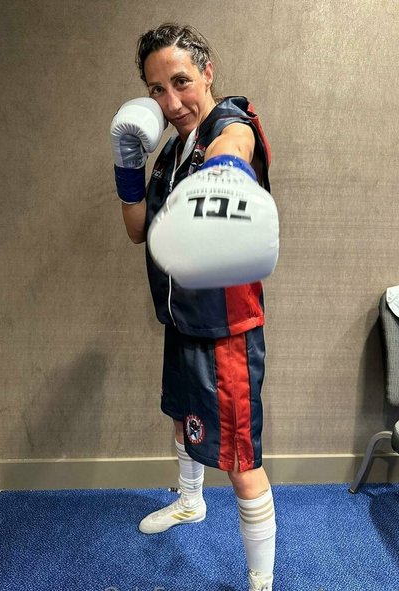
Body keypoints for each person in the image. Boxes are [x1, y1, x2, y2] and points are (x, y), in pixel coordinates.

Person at [110, 23, 276, 591]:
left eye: (180, 81)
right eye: (156, 89)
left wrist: (221, 179)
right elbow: (137, 230)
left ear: (207, 72)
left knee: (240, 460)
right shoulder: (169, 152)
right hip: (179, 320)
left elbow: (235, 149)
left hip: (224, 329)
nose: (171, 101)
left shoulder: (230, 124)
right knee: (181, 419)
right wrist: (127, 163)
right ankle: (189, 502)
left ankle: (261, 581)